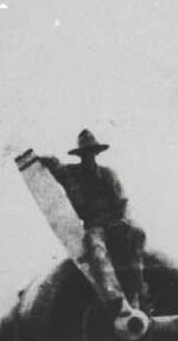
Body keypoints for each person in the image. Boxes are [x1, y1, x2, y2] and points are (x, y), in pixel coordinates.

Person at [37, 129, 149, 310]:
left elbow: (122, 201)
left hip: (114, 222)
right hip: (94, 225)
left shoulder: (108, 174)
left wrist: (125, 222)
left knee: (137, 234)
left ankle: (138, 292)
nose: (88, 157)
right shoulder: (71, 174)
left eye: (91, 153)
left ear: (96, 154)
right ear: (80, 156)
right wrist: (38, 160)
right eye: (85, 154)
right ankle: (114, 298)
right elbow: (56, 166)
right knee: (95, 246)